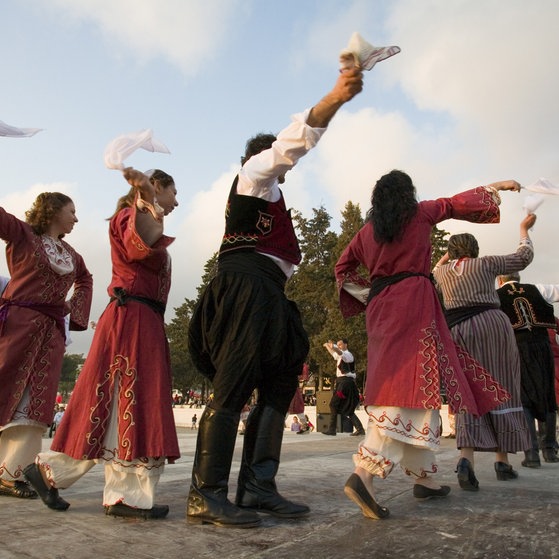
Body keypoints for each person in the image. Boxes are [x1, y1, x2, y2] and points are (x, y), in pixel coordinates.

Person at [187, 66, 364, 528]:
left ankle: (256, 487)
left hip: (270, 292)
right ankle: (205, 494)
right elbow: (291, 144)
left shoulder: (272, 197)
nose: (281, 165)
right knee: (232, 387)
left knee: (283, 377)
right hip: (245, 287)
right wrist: (335, 99)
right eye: (274, 157)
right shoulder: (253, 174)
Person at [335, 171, 516, 520]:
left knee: (406, 386)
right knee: (413, 387)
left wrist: (368, 292)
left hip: (380, 308)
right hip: (414, 303)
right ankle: (364, 475)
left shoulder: (364, 233)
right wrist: (495, 187)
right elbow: (454, 203)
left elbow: (342, 268)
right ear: (407, 193)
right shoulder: (419, 213)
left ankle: (424, 480)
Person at [24, 168, 180, 519]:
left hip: (140, 320)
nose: (176, 200)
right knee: (130, 399)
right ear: (157, 187)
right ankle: (124, 495)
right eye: (172, 191)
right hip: (132, 320)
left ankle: (53, 470)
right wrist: (147, 199)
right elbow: (138, 247)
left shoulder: (137, 215)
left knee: (111, 403)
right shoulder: (132, 216)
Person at [433, 214, 535, 490]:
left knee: (468, 391)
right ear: (475, 249)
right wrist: (524, 230)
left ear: (451, 253)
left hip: (459, 331)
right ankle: (502, 462)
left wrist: (446, 257)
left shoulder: (441, 273)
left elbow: (432, 271)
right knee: (502, 387)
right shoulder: (486, 264)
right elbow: (523, 257)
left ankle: (466, 459)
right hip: (492, 326)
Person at [0, 192, 92, 499]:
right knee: (4, 390)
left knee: (35, 406)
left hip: (49, 335)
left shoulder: (71, 254)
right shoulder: (23, 233)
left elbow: (86, 279)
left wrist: (72, 310)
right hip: (18, 325)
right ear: (53, 211)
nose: (76, 218)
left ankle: (12, 472)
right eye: (72, 211)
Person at [497, 273, 559, 466]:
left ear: (500, 279)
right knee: (547, 395)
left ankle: (531, 453)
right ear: (519, 277)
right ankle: (550, 450)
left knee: (524, 398)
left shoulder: (494, 295)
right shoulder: (537, 289)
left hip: (517, 348)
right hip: (542, 347)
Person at [322, 339, 365, 436]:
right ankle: (360, 429)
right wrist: (328, 346)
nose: (339, 346)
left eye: (340, 344)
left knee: (333, 404)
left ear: (346, 344)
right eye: (338, 345)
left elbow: (338, 352)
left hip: (345, 384)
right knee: (347, 408)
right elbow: (334, 354)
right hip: (343, 383)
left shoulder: (348, 355)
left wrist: (334, 347)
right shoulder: (340, 356)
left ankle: (332, 430)